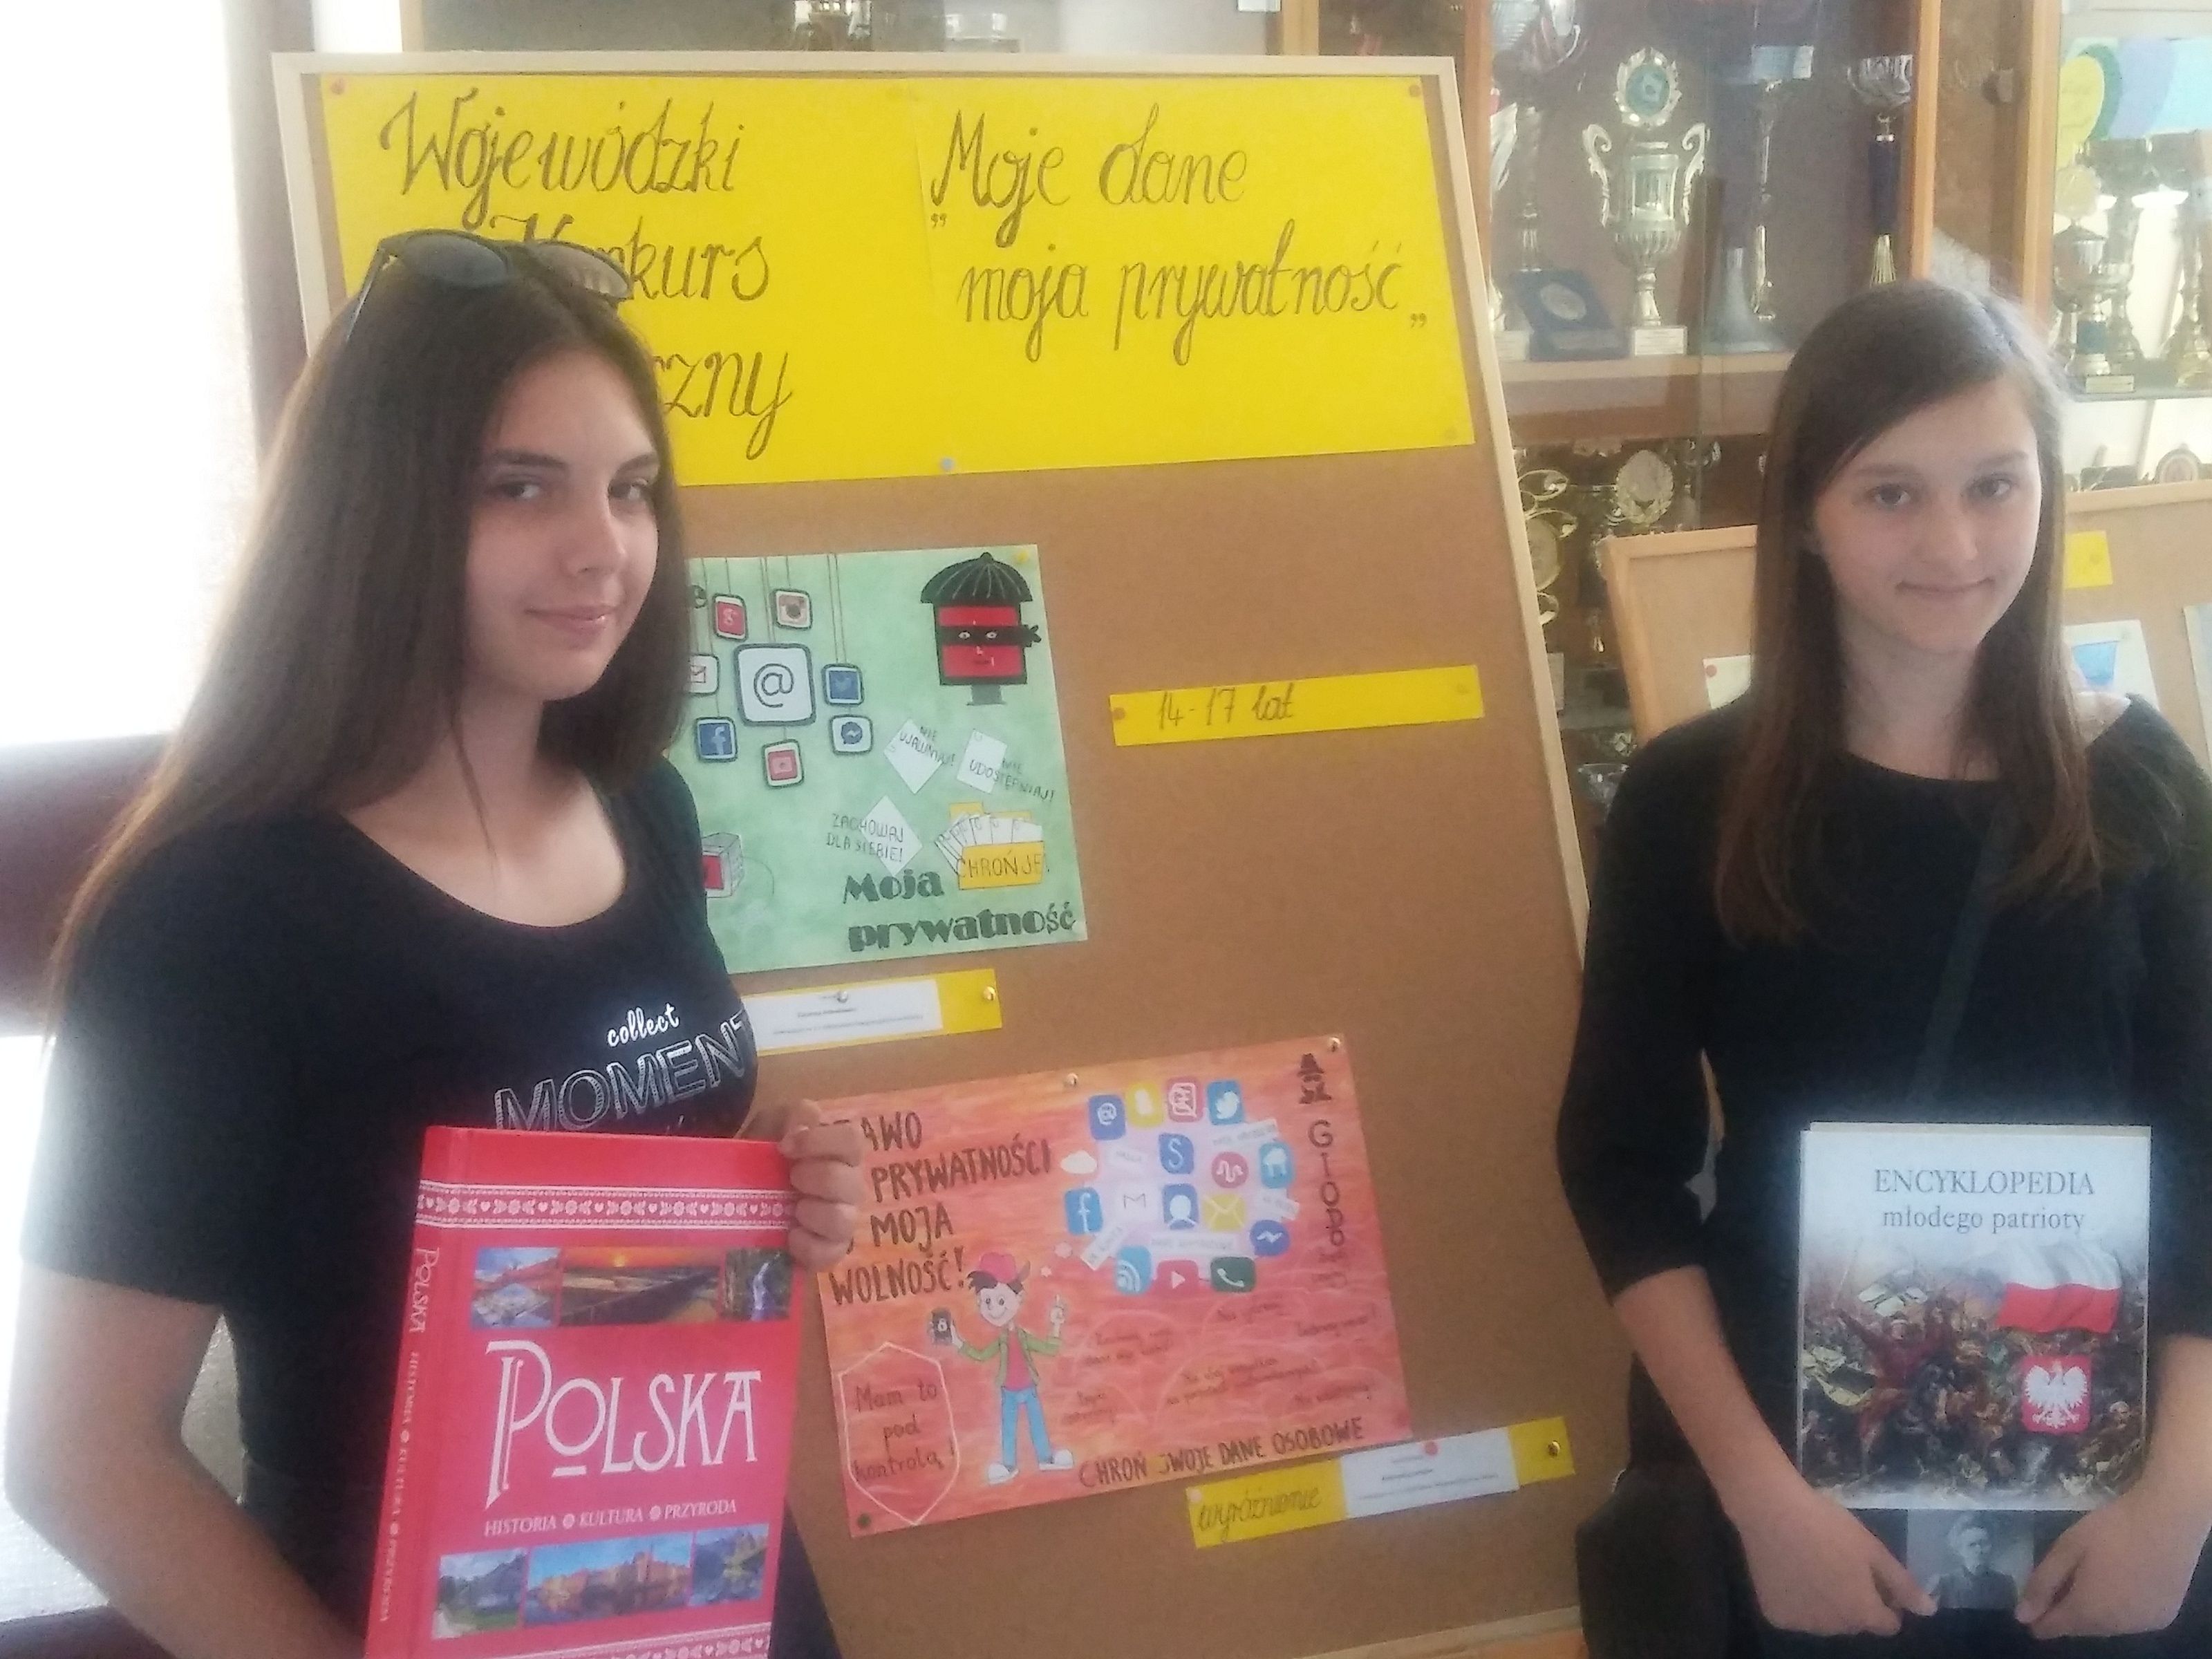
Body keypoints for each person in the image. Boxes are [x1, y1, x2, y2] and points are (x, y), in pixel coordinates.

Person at [4, 232, 863, 1659]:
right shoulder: (212, 916)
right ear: (378, 514)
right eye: (520, 487)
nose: (603, 547)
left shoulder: (639, 806)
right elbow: (77, 1449)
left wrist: (765, 1194)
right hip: (392, 1596)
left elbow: (602, 1187)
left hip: (701, 1556)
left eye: (630, 488)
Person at [1555, 281, 2212, 1653]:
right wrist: (1761, 1499)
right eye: (1891, 493)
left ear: (2048, 491)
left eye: (1995, 485)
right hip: (1801, 1483)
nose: (1955, 543)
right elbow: (1620, 1166)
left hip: (2106, 1488)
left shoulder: (2145, 787)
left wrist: (2180, 1500)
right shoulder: (1690, 800)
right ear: (1807, 511)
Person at [1929, 1517, 2018, 1613]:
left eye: (1984, 1544)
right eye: (1972, 1545)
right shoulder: (1944, 1583)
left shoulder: (2005, 1584)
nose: (1979, 1550)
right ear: (1959, 1550)